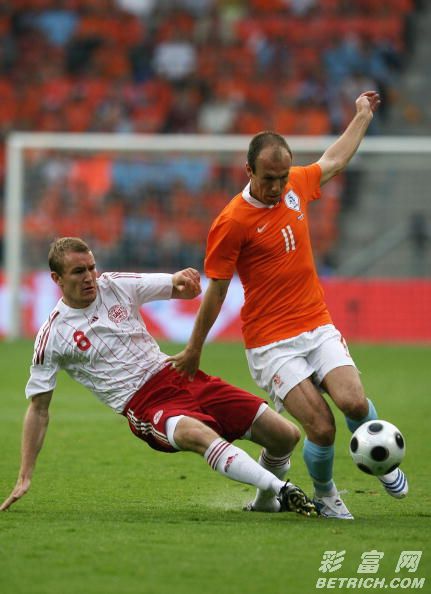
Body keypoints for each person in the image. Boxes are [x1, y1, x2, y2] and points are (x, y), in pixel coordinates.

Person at [168, 91, 409, 519]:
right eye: (269, 179)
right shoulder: (231, 222)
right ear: (249, 171)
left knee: (355, 403)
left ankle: (382, 458)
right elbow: (217, 290)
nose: (278, 187)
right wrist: (194, 348)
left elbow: (334, 160)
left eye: (282, 177)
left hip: (316, 323)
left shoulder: (295, 185)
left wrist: (362, 116)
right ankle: (326, 493)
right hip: (271, 343)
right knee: (321, 426)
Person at [0, 237, 316, 517]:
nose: (89, 277)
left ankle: (265, 501)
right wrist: (25, 475)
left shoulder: (114, 285)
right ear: (57, 279)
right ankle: (282, 489)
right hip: (144, 404)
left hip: (180, 374)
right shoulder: (52, 335)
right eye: (78, 272)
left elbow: (174, 285)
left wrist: (184, 282)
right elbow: (38, 410)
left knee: (285, 435)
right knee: (199, 434)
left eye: (92, 268)